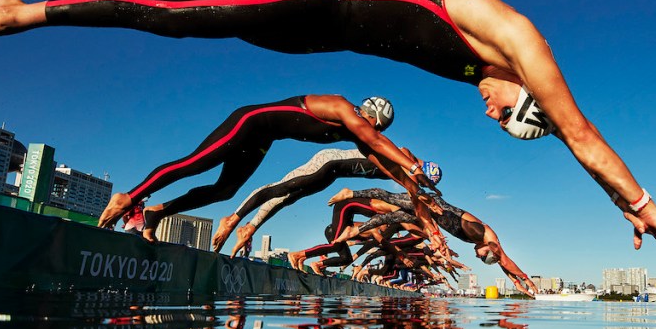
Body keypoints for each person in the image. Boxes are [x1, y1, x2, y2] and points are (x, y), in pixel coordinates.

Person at [0, 0, 656, 262]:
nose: (487, 112)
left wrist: (614, 201)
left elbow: (569, 139)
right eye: (505, 113)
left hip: (314, 40)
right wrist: (640, 201)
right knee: (185, 21)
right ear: (528, 91)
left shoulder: (504, 79)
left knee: (200, 10)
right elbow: (578, 129)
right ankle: (19, 15)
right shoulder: (519, 42)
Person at [96, 94, 443, 244]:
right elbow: (381, 146)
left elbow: (393, 171)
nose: (374, 133)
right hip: (249, 122)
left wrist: (423, 207)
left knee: (224, 190)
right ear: (371, 116)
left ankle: (156, 213)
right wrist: (413, 164)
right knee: (196, 163)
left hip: (262, 140)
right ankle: (131, 198)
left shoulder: (364, 135)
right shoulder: (342, 108)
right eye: (375, 127)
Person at [211, 144, 443, 256]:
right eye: (421, 180)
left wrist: (433, 231)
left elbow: (416, 201)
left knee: (289, 199)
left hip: (332, 174)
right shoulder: (404, 158)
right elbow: (407, 153)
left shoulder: (404, 176)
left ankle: (249, 227)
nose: (419, 185)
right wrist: (419, 169)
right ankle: (233, 218)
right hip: (327, 162)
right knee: (283, 189)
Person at [329, 187, 539, 296]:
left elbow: (503, 260)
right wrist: (525, 279)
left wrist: (515, 281)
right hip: (431, 205)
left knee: (394, 216)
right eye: (482, 256)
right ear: (490, 249)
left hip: (430, 217)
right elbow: (504, 259)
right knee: (389, 199)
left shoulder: (488, 242)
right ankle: (351, 194)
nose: (477, 255)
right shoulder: (481, 234)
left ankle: (355, 230)